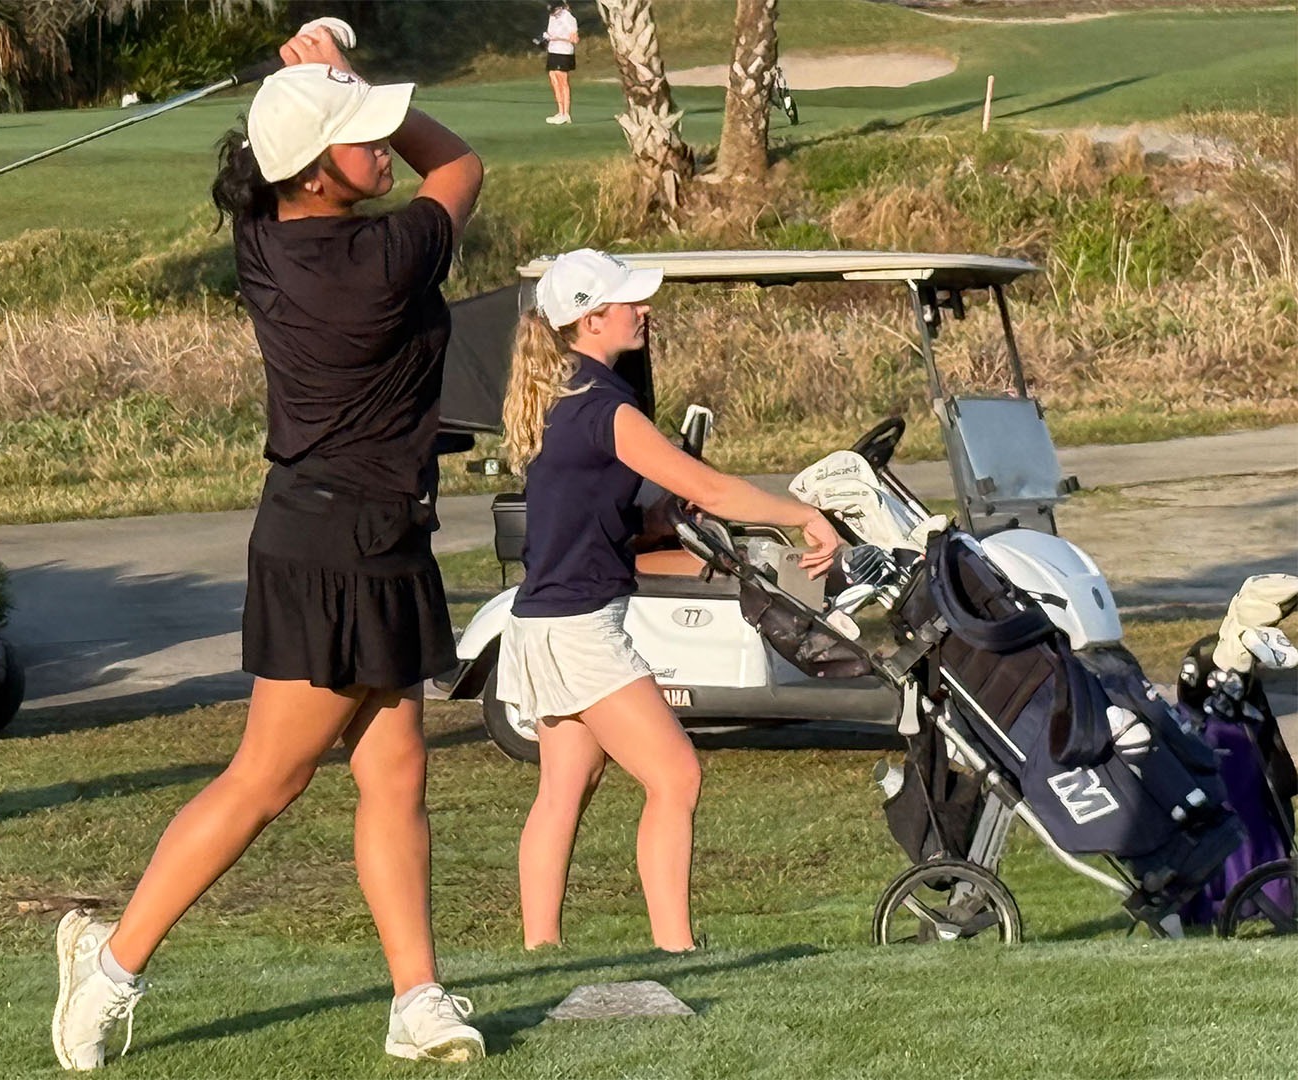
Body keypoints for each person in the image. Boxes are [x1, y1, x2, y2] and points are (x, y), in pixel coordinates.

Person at [50, 22, 486, 1072]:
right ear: (314, 172)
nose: (382, 148)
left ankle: (416, 999)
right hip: (337, 542)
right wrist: (339, 76)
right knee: (267, 780)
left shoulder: (266, 239)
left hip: (364, 530)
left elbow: (310, 164)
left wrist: (319, 87)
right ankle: (108, 969)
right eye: (361, 138)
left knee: (395, 775)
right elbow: (459, 163)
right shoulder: (381, 261)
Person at [497, 249, 842, 952]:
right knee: (677, 776)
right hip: (578, 627)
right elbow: (711, 488)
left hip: (544, 619)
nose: (644, 310)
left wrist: (652, 521)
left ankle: (540, 949)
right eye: (630, 301)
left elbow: (591, 513)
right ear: (592, 319)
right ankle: (676, 948)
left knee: (568, 785)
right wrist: (799, 513)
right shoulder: (604, 408)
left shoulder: (566, 394)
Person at [542, 1, 578, 124]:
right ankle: (560, 111)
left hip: (564, 51)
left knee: (562, 81)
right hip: (553, 50)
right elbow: (550, 32)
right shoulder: (552, 17)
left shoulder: (567, 16)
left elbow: (574, 38)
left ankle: (566, 113)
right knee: (553, 79)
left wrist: (557, 38)